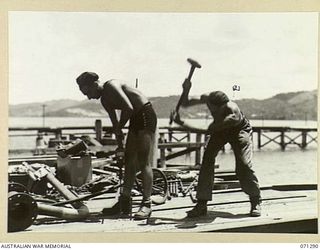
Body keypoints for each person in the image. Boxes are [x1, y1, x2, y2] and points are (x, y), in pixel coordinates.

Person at [172, 78, 261, 217]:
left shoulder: (232, 114)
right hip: (220, 130)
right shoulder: (208, 98)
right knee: (207, 160)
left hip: (239, 130)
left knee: (244, 165)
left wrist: (181, 123)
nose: (211, 110)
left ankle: (256, 200)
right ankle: (201, 204)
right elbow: (185, 104)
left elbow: (206, 130)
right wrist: (186, 89)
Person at [76, 72, 157, 220]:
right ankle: (124, 201)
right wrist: (120, 144)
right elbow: (115, 124)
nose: (88, 97)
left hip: (145, 114)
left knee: (143, 161)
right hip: (134, 118)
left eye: (88, 92)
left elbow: (128, 108)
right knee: (128, 160)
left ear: (95, 84)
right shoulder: (104, 101)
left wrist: (120, 127)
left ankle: (147, 203)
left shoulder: (111, 86)